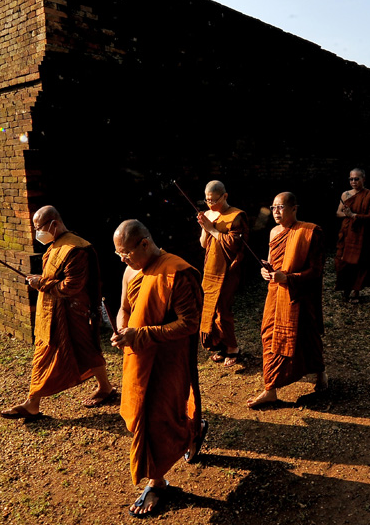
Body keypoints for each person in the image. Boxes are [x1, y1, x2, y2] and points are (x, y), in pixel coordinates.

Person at [111, 219, 206, 517]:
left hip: (167, 359)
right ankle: (194, 430)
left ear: (145, 243)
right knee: (140, 413)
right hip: (137, 357)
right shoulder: (131, 270)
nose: (124, 259)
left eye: (127, 252)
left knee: (157, 418)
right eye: (119, 255)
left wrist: (142, 335)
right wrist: (122, 328)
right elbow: (125, 307)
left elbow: (189, 323)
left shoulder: (176, 272)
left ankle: (157, 483)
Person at [1, 206, 116, 420]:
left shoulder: (76, 249)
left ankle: (32, 402)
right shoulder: (55, 245)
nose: (38, 233)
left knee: (78, 349)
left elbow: (71, 285)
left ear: (53, 224)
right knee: (80, 349)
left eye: (39, 228)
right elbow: (54, 276)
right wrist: (40, 279)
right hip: (54, 310)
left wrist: (41, 283)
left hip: (74, 310)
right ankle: (105, 387)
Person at [247, 192, 327, 409]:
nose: (276, 212)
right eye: (273, 208)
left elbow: (316, 271)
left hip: (299, 294)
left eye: (281, 207)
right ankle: (270, 389)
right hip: (276, 292)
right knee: (269, 334)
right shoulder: (273, 232)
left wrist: (289, 278)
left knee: (307, 334)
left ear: (294, 209)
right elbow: (273, 261)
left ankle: (320, 373)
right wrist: (266, 271)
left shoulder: (310, 232)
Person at [197, 180, 247, 367]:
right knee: (211, 309)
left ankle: (233, 348)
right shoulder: (209, 214)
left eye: (213, 200)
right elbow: (204, 243)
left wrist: (212, 228)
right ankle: (220, 345)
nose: (210, 204)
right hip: (210, 269)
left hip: (227, 270)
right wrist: (205, 228)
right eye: (207, 200)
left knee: (224, 309)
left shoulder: (236, 216)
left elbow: (235, 245)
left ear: (225, 196)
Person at [334, 168, 370, 302]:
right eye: (351, 179)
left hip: (362, 232)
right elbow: (338, 213)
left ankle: (356, 291)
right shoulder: (345, 195)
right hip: (347, 231)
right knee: (343, 261)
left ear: (363, 179)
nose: (353, 182)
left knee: (360, 261)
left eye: (356, 179)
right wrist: (348, 215)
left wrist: (354, 215)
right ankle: (346, 287)